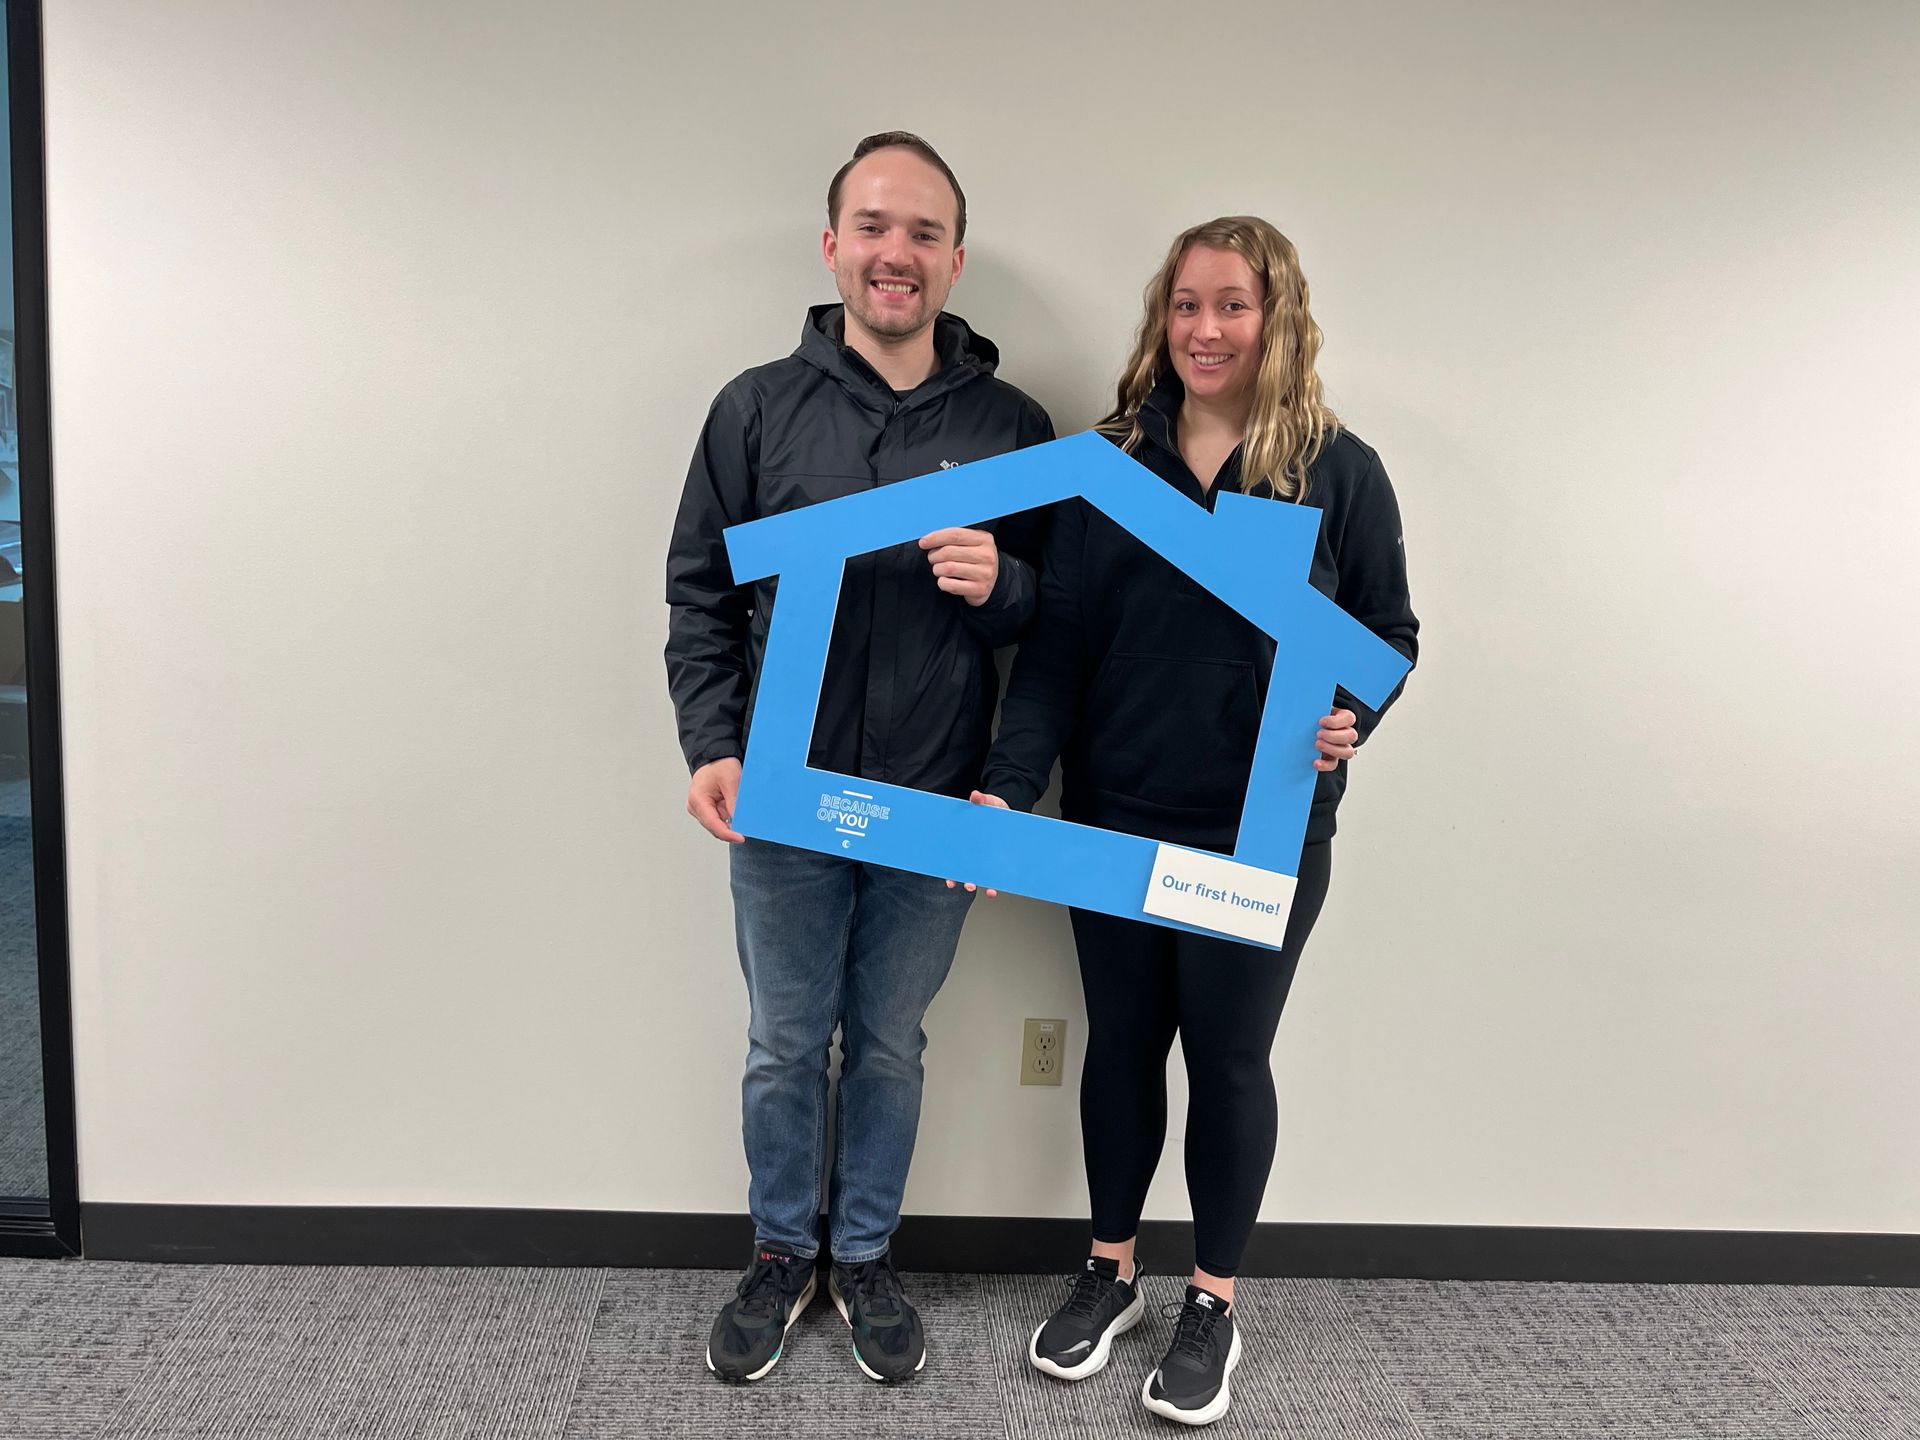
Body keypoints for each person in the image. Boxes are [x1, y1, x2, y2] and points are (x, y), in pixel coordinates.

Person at [969, 215, 1418, 1425]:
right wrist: (1010, 790)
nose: (1205, 330)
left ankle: (1212, 1300)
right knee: (1120, 1046)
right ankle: (1110, 1269)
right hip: (1116, 811)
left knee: (1225, 1058)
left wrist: (1350, 715)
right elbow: (1055, 655)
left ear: (1277, 318)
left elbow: (1388, 639)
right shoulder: (1106, 465)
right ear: (1161, 319)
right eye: (1185, 305)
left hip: (1262, 825)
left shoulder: (1339, 470)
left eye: (1231, 304)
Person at [664, 131, 1054, 1385]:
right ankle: (784, 1255)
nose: (898, 252)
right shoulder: (755, 409)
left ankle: (866, 1257)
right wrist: (712, 743)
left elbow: (1058, 628)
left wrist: (1005, 591)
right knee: (786, 1041)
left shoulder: (1012, 429)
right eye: (875, 226)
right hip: (780, 800)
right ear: (833, 246)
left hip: (933, 804)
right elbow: (697, 598)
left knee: (888, 1044)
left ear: (954, 258)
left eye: (924, 232)